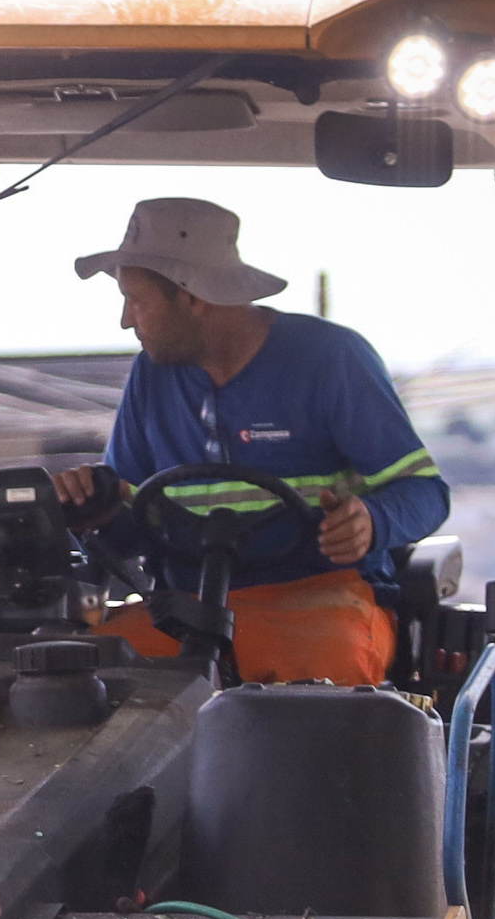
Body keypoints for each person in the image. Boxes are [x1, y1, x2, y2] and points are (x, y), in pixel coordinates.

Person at [50, 197, 450, 688]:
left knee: (323, 670)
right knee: (81, 670)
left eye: (136, 300)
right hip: (186, 611)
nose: (126, 320)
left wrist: (372, 520)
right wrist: (93, 514)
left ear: (192, 297)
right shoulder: (151, 377)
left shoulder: (329, 358)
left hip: (324, 601)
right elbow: (132, 527)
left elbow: (427, 493)